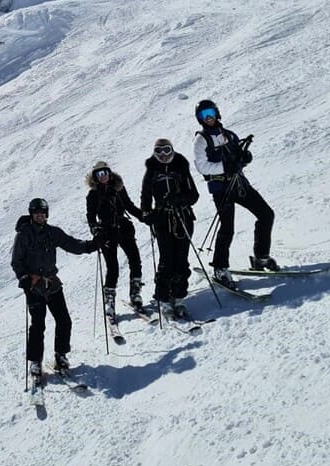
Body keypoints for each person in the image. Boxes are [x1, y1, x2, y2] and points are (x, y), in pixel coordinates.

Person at [192, 99, 278, 286]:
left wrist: (244, 159)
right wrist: (226, 166)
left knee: (266, 214)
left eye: (211, 114)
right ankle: (220, 268)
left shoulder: (230, 135)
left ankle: (261, 257)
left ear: (217, 113)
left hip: (239, 185)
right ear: (199, 119)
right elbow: (202, 166)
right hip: (221, 189)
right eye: (203, 115)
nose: (208, 118)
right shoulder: (201, 140)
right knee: (227, 228)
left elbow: (237, 159)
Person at [12, 197, 99, 380]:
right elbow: (16, 261)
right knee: (38, 325)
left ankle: (61, 355)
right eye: (37, 214)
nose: (40, 217)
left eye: (43, 214)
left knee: (64, 320)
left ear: (47, 215)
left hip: (52, 284)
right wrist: (24, 278)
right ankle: (35, 362)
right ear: (31, 215)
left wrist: (90, 246)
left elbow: (71, 244)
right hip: (35, 286)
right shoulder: (24, 234)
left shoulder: (53, 233)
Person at [139, 138, 200, 319]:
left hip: (183, 217)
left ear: (172, 150)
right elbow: (145, 196)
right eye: (159, 151)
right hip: (162, 219)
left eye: (166, 150)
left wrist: (179, 199)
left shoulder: (181, 167)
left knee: (181, 259)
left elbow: (193, 195)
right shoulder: (151, 171)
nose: (163, 155)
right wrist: (147, 214)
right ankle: (164, 299)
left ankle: (179, 298)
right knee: (166, 259)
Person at [85, 160, 146, 316]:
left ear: (109, 173)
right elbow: (91, 216)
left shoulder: (118, 188)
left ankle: (135, 293)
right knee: (113, 267)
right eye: (99, 174)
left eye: (105, 172)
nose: (103, 176)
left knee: (135, 259)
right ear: (95, 177)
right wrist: (95, 230)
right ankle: (110, 302)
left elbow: (128, 206)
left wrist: (143, 216)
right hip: (106, 231)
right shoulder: (93, 194)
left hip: (123, 227)